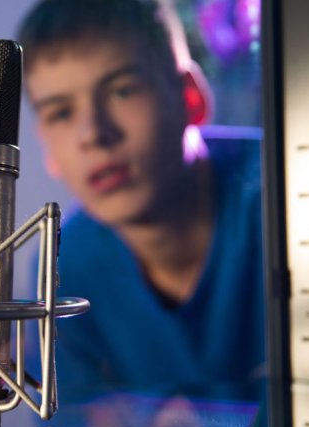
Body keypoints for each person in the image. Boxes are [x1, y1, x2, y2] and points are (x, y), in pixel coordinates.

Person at [17, 0, 265, 390]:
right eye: (61, 113)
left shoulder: (283, 195)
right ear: (47, 150)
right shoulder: (64, 267)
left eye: (122, 91)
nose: (93, 134)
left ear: (190, 98)